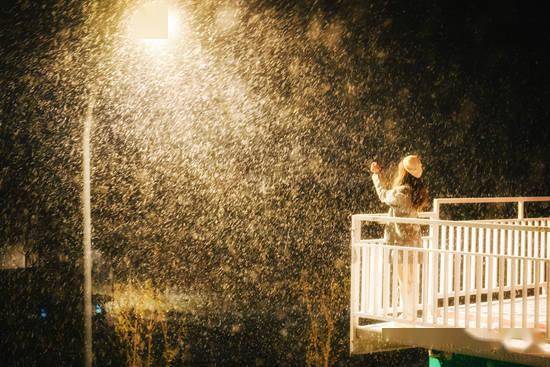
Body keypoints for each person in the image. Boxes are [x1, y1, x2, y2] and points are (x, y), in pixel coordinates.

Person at [370, 155, 429, 319]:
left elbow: (383, 195)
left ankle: (408, 314)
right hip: (413, 242)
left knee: (403, 280)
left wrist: (376, 176)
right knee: (411, 279)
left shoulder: (401, 193)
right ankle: (410, 312)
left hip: (400, 243)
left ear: (403, 172)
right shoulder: (418, 191)